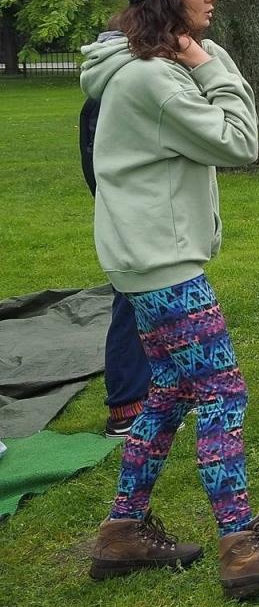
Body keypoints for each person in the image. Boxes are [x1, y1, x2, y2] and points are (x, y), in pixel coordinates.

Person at [81, 0, 259, 599]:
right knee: (223, 392)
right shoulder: (153, 79)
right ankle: (242, 543)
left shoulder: (137, 68)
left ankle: (122, 528)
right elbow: (240, 142)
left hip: (146, 261)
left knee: (169, 390)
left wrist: (198, 55)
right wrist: (213, 60)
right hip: (164, 266)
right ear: (170, 2)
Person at [78, 92, 151, 437]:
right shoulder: (116, 91)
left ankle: (166, 392)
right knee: (133, 299)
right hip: (134, 217)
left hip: (152, 215)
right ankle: (128, 406)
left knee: (156, 305)